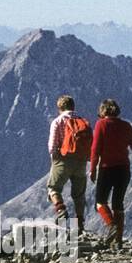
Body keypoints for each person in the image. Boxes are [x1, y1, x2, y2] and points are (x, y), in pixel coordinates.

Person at [89, 98, 132, 248]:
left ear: (102, 111)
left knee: (100, 202)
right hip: (123, 170)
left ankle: (112, 225)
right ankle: (118, 241)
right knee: (118, 204)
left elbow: (95, 149)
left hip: (106, 169)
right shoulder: (126, 126)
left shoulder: (101, 124)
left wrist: (93, 169)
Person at [46, 95, 91, 232]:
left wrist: (55, 160)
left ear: (59, 108)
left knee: (53, 188)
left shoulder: (58, 121)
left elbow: (52, 145)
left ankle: (61, 210)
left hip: (63, 159)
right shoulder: (83, 121)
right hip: (81, 161)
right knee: (79, 194)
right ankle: (80, 224)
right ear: (73, 106)